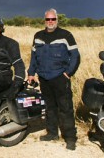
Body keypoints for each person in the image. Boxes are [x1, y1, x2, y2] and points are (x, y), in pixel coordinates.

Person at [27, 9, 80, 150]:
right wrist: (31, 73)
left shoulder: (66, 35)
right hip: (44, 78)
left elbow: (75, 56)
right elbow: (33, 57)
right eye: (48, 20)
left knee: (65, 108)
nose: (50, 22)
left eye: (53, 19)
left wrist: (68, 73)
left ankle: (70, 138)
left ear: (57, 20)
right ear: (44, 20)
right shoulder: (38, 36)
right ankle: (52, 133)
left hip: (60, 78)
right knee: (49, 107)